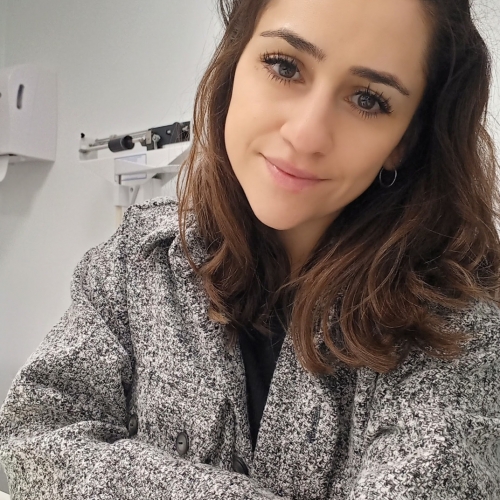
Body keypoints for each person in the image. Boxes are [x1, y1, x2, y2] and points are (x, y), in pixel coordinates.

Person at [1, 0, 499, 498]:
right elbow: (31, 438)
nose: (305, 135)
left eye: (368, 99)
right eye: (285, 66)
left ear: (405, 139)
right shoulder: (137, 259)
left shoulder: (458, 326)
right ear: (234, 63)